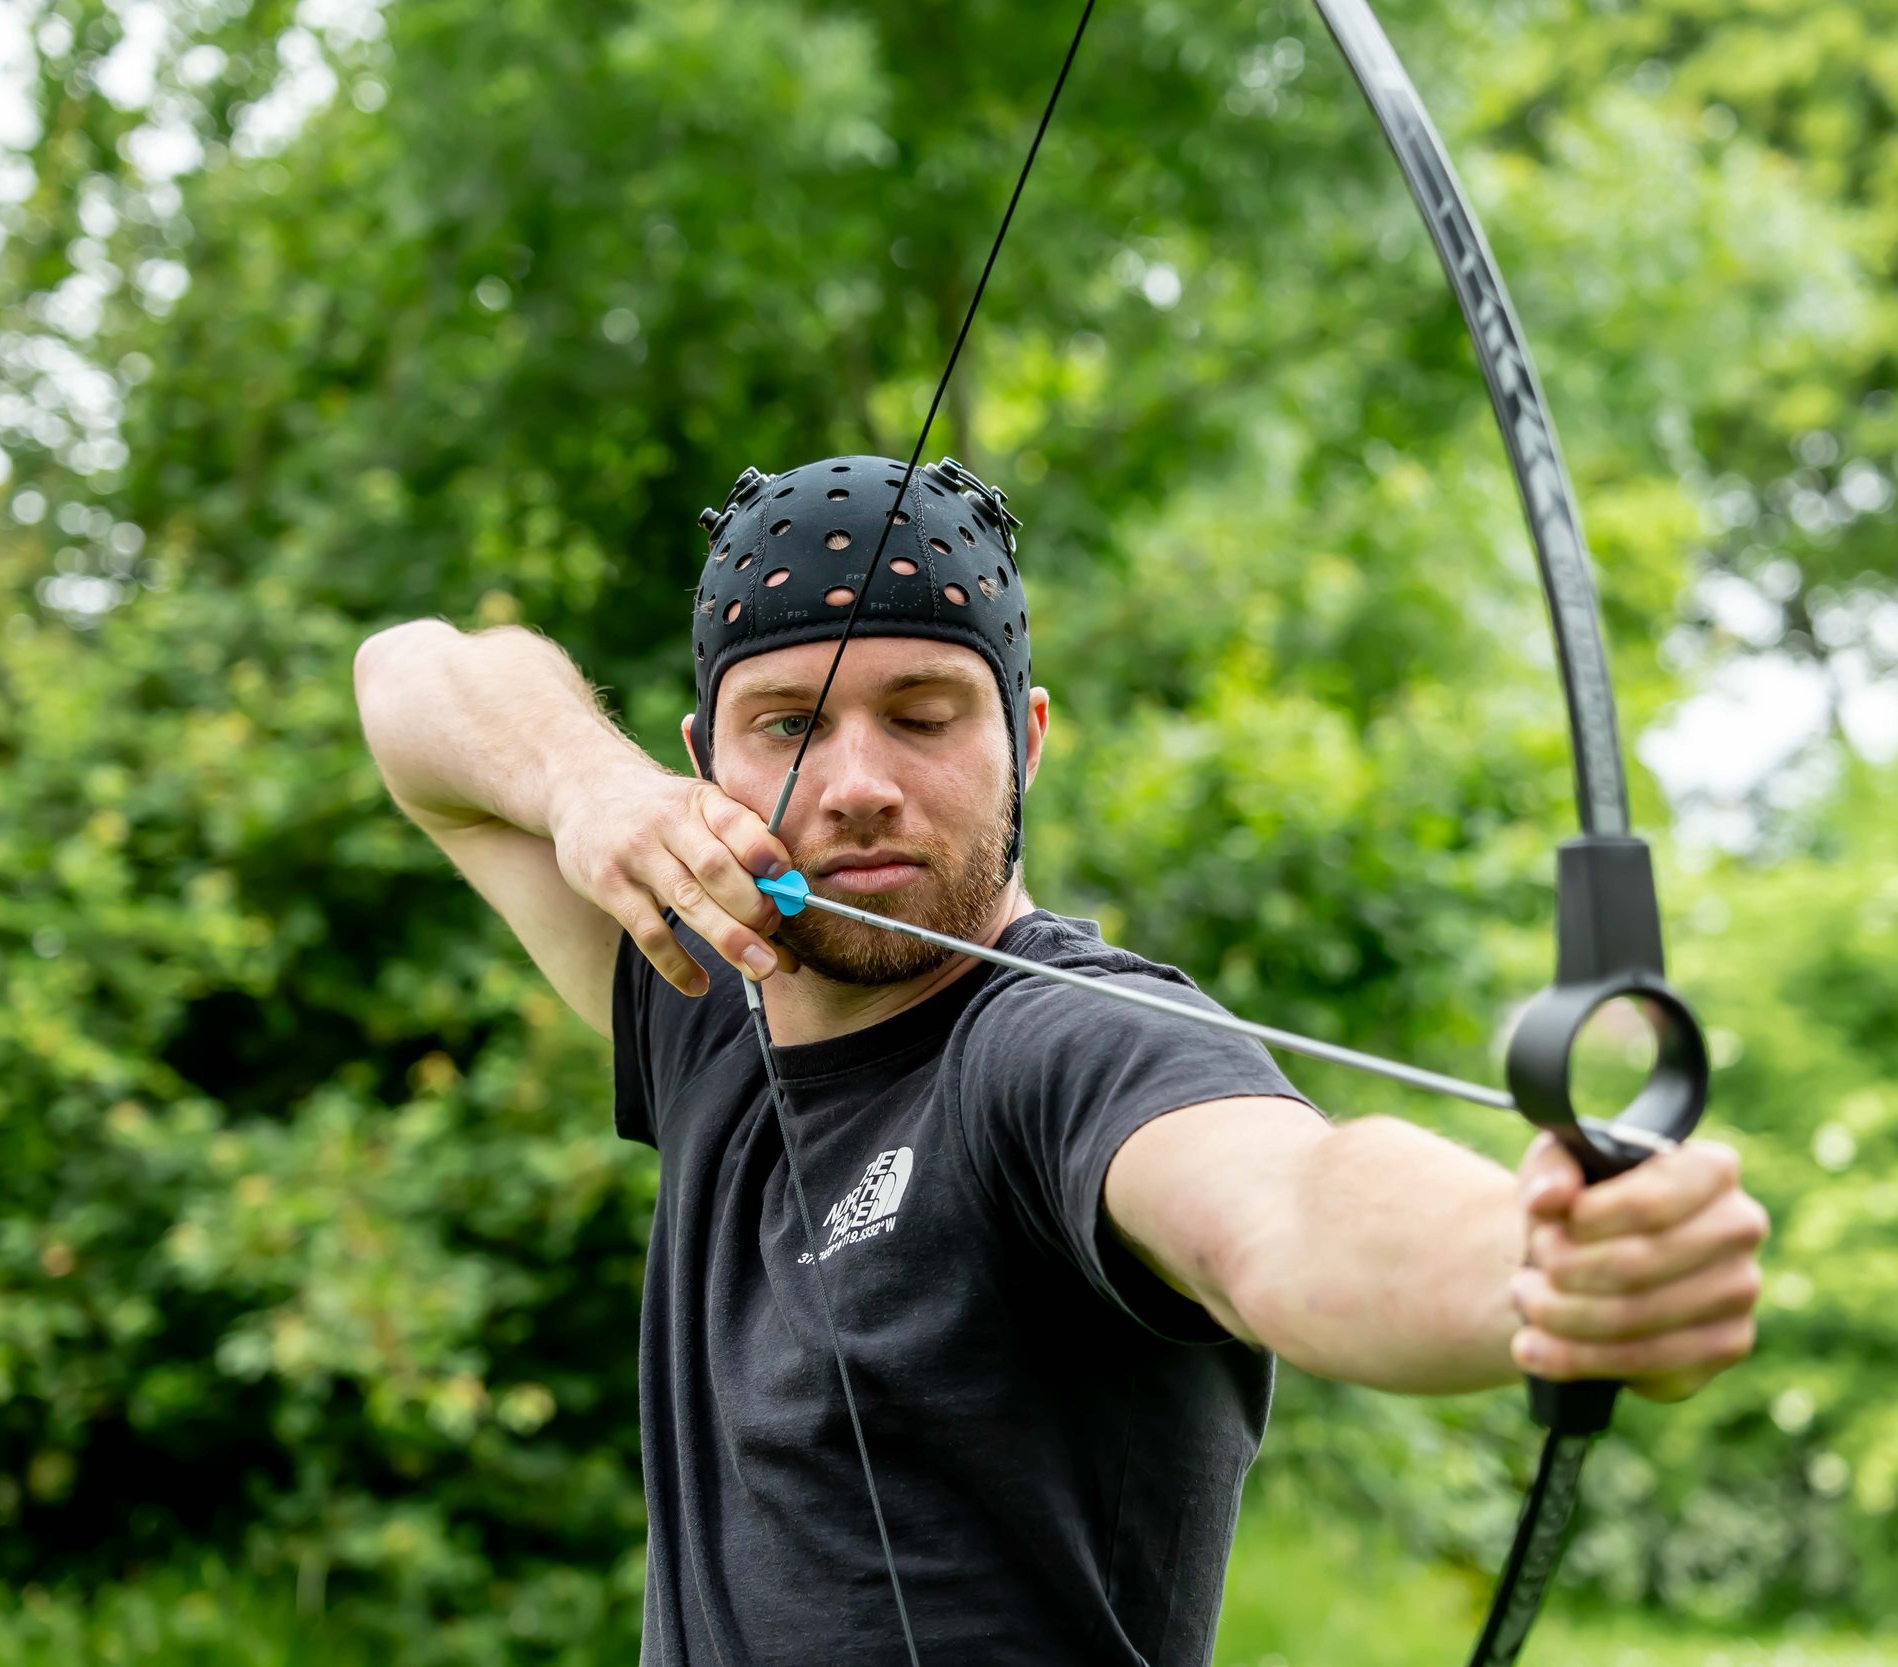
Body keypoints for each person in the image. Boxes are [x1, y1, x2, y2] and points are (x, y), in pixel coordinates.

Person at [353, 454, 1769, 1667]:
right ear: (701, 758)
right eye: (789, 724)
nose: (857, 786)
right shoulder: (704, 998)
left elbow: (1286, 1211)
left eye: (924, 716)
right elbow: (408, 682)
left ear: (1025, 740)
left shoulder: (1063, 1044)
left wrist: (1540, 1262)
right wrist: (586, 784)